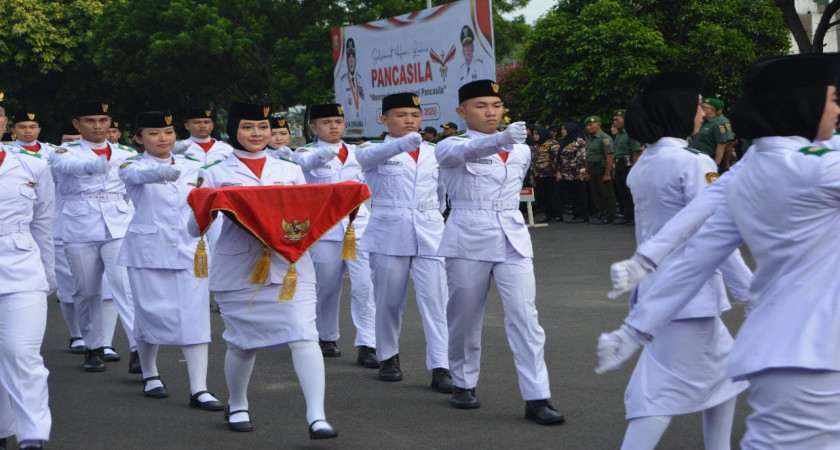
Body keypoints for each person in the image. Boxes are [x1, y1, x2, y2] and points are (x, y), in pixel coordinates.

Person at [595, 72, 752, 450]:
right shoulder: (692, 162)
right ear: (677, 109)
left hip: (661, 291)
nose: (702, 112)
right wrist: (749, 291)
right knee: (655, 396)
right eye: (697, 104)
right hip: (688, 295)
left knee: (724, 379)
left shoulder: (646, 161)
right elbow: (714, 236)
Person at [192, 101, 337, 439]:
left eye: (263, 127)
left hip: (290, 266)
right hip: (239, 267)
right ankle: (237, 403)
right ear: (233, 130)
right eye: (247, 127)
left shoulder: (289, 169)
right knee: (243, 344)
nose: (256, 134)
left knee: (303, 333)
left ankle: (317, 416)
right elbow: (192, 227)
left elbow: (304, 214)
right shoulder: (214, 171)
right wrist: (209, 207)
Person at [435, 79, 564, 425]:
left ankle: (537, 396)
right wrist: (500, 139)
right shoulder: (450, 145)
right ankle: (463, 383)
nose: (490, 112)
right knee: (465, 315)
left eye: (496, 105)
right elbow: (460, 155)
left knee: (525, 316)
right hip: (469, 234)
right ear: (462, 111)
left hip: (511, 234)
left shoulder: (521, 150)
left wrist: (507, 141)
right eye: (480, 106)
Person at [117, 111, 223, 410]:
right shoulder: (130, 164)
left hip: (190, 251)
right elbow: (134, 177)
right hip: (147, 252)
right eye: (153, 133)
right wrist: (162, 172)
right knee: (148, 313)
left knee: (195, 318)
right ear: (138, 138)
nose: (162, 139)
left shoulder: (194, 167)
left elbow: (208, 209)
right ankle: (150, 373)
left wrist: (214, 249)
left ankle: (199, 389)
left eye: (167, 132)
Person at [355, 93, 452, 391]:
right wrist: (402, 144)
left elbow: (441, 193)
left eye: (415, 115)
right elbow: (366, 160)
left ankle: (441, 365)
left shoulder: (433, 151)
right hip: (389, 231)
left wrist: (433, 216)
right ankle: (388, 356)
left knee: (436, 301)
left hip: (429, 230)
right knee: (389, 300)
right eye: (400, 115)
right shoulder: (371, 149)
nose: (409, 121)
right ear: (383, 119)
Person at [49, 101, 140, 373]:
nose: (98, 126)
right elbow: (72, 167)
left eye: (103, 120)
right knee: (87, 289)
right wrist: (97, 163)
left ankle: (139, 348)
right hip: (80, 227)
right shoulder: (63, 152)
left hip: (118, 225)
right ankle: (93, 346)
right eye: (90, 121)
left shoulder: (125, 152)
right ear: (77, 124)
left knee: (125, 286)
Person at [291, 104, 377, 365]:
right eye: (327, 122)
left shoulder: (359, 153)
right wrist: (327, 153)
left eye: (338, 121)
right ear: (313, 127)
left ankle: (368, 343)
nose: (334, 126)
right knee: (327, 288)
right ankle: (326, 336)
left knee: (365, 288)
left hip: (358, 227)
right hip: (324, 230)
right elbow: (306, 164)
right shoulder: (305, 152)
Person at [0, 104, 55, 450]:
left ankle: (32, 436)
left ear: (5, 122)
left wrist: (48, 274)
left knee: (22, 352)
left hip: (21, 267)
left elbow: (44, 224)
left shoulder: (32, 165)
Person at [584, 116, 616, 224]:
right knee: (596, 194)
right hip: (593, 168)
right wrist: (587, 172)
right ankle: (601, 214)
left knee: (606, 193)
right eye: (587, 125)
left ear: (599, 124)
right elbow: (588, 157)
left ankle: (609, 216)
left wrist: (607, 174)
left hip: (602, 168)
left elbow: (609, 157)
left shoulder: (604, 138)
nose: (589, 127)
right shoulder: (590, 139)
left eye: (591, 125)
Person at [611, 110, 641, 226]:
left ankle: (635, 217)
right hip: (619, 164)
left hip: (627, 164)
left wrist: (634, 168)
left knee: (630, 192)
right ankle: (627, 215)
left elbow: (636, 152)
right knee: (622, 191)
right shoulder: (618, 135)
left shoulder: (631, 133)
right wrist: (614, 169)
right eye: (614, 120)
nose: (615, 122)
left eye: (617, 119)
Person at [557, 122, 588, 224]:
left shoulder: (579, 141)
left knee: (579, 195)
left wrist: (580, 173)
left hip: (577, 173)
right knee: (572, 195)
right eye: (562, 129)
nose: (562, 131)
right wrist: (559, 171)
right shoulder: (565, 141)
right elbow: (561, 158)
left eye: (564, 129)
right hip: (567, 173)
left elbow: (582, 158)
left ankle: (582, 216)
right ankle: (576, 215)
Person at [529, 126, 562, 222]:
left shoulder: (552, 143)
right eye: (534, 134)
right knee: (543, 196)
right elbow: (533, 162)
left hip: (551, 174)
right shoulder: (536, 146)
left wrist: (558, 171)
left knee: (553, 195)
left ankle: (557, 215)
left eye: (537, 134)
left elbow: (558, 158)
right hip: (539, 175)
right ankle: (549, 215)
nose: (535, 136)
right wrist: (532, 176)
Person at [691, 98, 727, 166]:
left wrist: (716, 164)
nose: (701, 109)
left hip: (706, 161)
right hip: (695, 159)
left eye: (703, 107)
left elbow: (721, 146)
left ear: (711, 109)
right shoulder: (702, 122)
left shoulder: (717, 124)